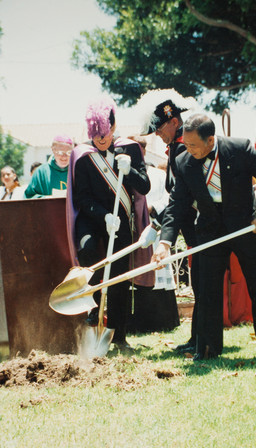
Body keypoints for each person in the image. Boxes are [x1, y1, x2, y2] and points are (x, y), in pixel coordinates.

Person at [152, 113, 256, 361]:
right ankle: (208, 349)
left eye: (193, 145)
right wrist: (164, 242)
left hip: (247, 226)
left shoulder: (240, 148)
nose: (188, 149)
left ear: (211, 140)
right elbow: (177, 204)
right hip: (210, 229)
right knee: (208, 292)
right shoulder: (183, 162)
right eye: (186, 144)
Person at [66, 97, 153, 349]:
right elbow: (81, 196)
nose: (100, 140)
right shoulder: (82, 155)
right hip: (93, 218)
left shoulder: (131, 149)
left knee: (118, 276)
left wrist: (131, 171)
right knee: (89, 250)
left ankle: (119, 335)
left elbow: (144, 186)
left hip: (122, 219)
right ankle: (93, 307)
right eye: (95, 136)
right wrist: (103, 215)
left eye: (104, 134)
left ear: (113, 128)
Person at [137, 88, 199, 353]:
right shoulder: (176, 147)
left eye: (160, 128)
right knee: (199, 282)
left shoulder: (186, 147)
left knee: (203, 282)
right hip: (189, 223)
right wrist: (158, 222)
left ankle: (203, 340)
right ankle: (198, 338)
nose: (158, 134)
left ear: (174, 122)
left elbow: (182, 196)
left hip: (200, 224)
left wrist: (157, 224)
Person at [125, 135, 179, 333]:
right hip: (132, 230)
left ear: (145, 152)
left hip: (154, 227)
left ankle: (162, 321)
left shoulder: (157, 174)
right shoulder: (124, 173)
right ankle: (134, 324)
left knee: (157, 270)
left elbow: (170, 196)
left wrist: (152, 207)